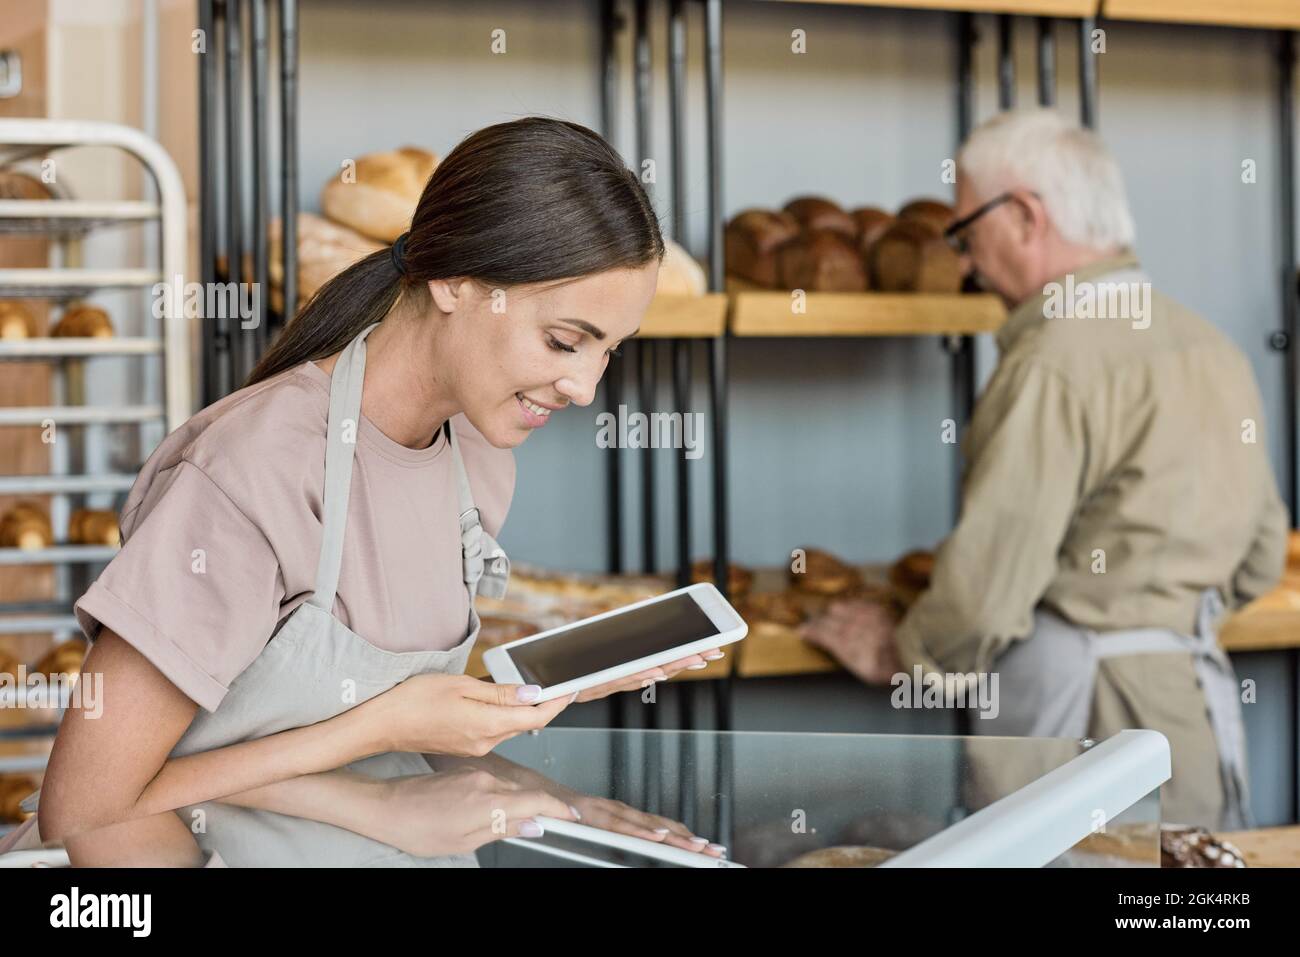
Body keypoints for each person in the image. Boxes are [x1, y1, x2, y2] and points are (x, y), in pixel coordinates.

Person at [30, 117, 725, 855]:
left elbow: (391, 748)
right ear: (454, 281)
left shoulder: (478, 462)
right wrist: (381, 740)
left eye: (608, 351)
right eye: (563, 340)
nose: (586, 387)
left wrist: (553, 799)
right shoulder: (252, 472)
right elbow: (87, 809)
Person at [803, 108, 1289, 829]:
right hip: (1192, 714)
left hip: (1081, 727)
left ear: (1026, 216)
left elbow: (985, 598)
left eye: (965, 234)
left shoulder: (1050, 361)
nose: (964, 262)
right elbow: (1259, 560)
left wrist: (905, 653)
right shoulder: (1209, 346)